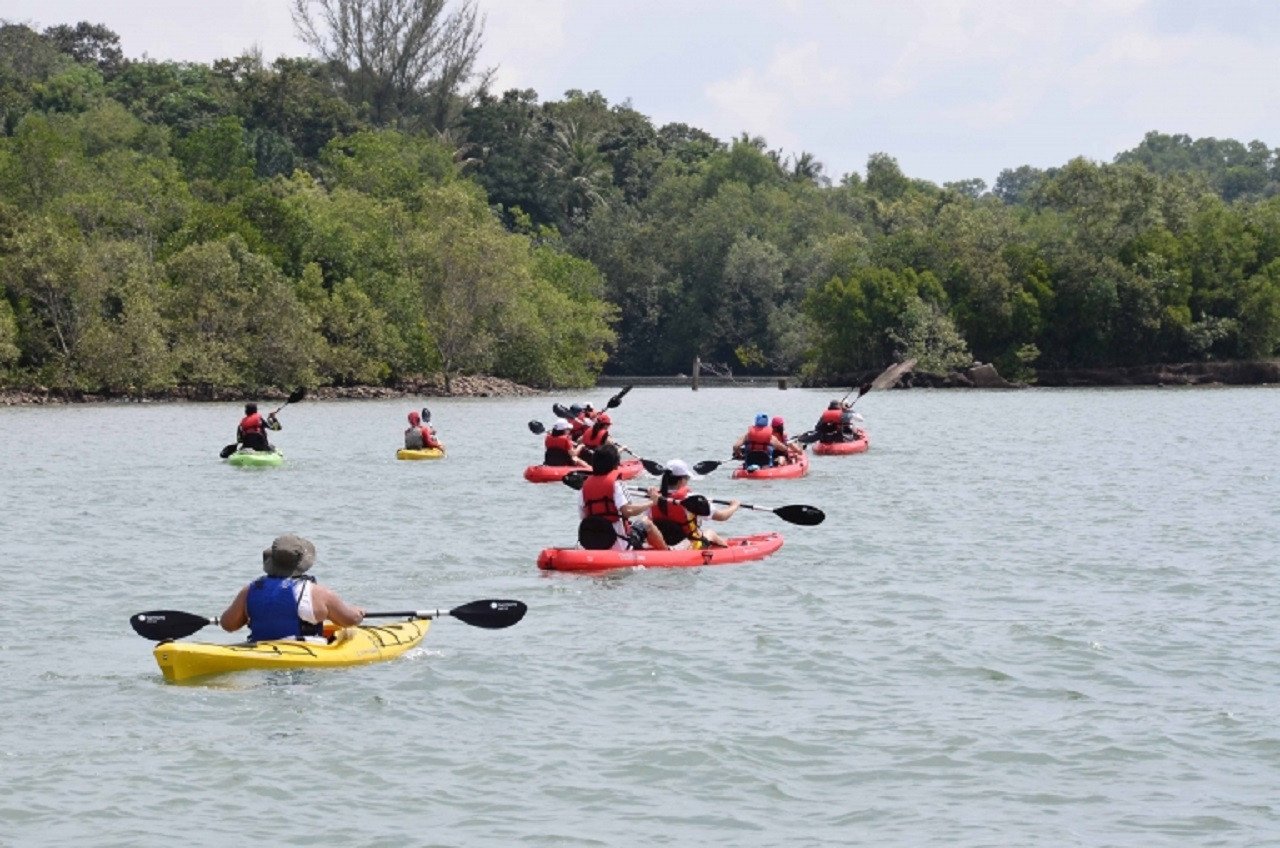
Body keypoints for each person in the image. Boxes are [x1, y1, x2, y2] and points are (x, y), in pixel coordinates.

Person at [219, 534, 365, 642]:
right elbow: (349, 620)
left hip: (260, 650)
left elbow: (228, 625)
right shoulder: (319, 593)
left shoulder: (250, 590)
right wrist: (358, 612)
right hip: (305, 659)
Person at [576, 444, 666, 551]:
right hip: (620, 544)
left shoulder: (585, 487)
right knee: (646, 522)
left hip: (593, 544)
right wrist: (652, 502)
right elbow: (627, 511)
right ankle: (667, 553)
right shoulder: (617, 484)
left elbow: (584, 516)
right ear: (615, 464)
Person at [649, 459, 740, 549]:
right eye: (687, 478)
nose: (688, 482)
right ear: (681, 480)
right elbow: (722, 516)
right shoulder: (692, 499)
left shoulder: (653, 498)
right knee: (710, 533)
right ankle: (729, 552)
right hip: (688, 545)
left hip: (661, 543)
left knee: (700, 533)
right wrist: (734, 506)